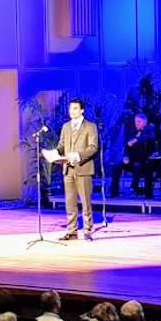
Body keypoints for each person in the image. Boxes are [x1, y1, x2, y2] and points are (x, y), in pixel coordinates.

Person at [56, 100, 100, 241]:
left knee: (85, 202)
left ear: (82, 110)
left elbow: (93, 147)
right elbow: (61, 145)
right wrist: (54, 153)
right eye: (70, 109)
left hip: (83, 168)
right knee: (70, 202)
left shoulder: (90, 126)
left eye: (75, 109)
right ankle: (72, 231)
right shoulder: (66, 127)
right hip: (68, 169)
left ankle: (87, 230)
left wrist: (79, 155)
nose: (72, 111)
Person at [111, 114, 156, 199]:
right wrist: (125, 156)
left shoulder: (150, 130)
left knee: (137, 166)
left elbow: (149, 138)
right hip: (131, 160)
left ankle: (134, 189)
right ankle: (114, 191)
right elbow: (127, 147)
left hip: (143, 161)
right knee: (117, 166)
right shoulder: (132, 132)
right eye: (136, 121)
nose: (137, 123)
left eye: (139, 121)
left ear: (144, 122)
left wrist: (137, 139)